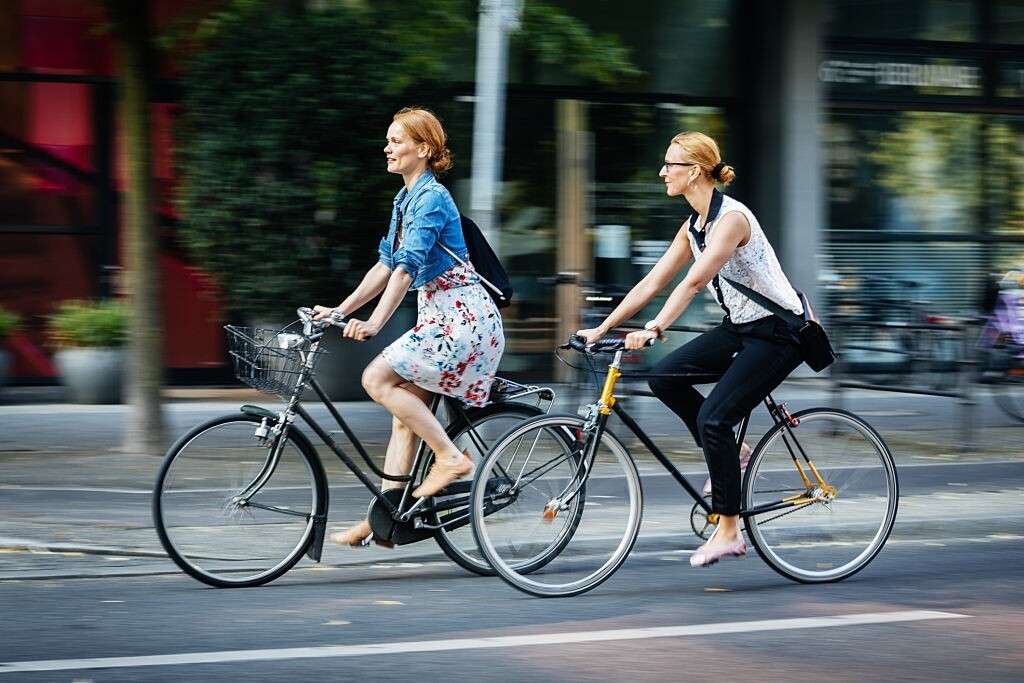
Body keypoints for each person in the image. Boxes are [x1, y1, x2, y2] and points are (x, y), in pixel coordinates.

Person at [576, 131, 805, 568]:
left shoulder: (732, 219)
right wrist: (602, 327)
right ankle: (737, 453)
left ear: (695, 171)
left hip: (780, 333)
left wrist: (655, 327)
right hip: (740, 328)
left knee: (714, 418)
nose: (663, 172)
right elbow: (653, 281)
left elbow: (694, 282)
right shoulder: (693, 227)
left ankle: (730, 531)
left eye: (670, 164)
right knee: (664, 378)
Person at [312, 107, 505, 547]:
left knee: (375, 378)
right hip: (442, 319)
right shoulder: (405, 199)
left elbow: (406, 269)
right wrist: (341, 310)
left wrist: (374, 322)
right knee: (405, 417)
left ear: (423, 149)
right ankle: (387, 517)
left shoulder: (432, 198)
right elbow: (385, 264)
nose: (387, 148)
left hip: (463, 323)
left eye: (396, 141)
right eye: (388, 140)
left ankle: (451, 458)